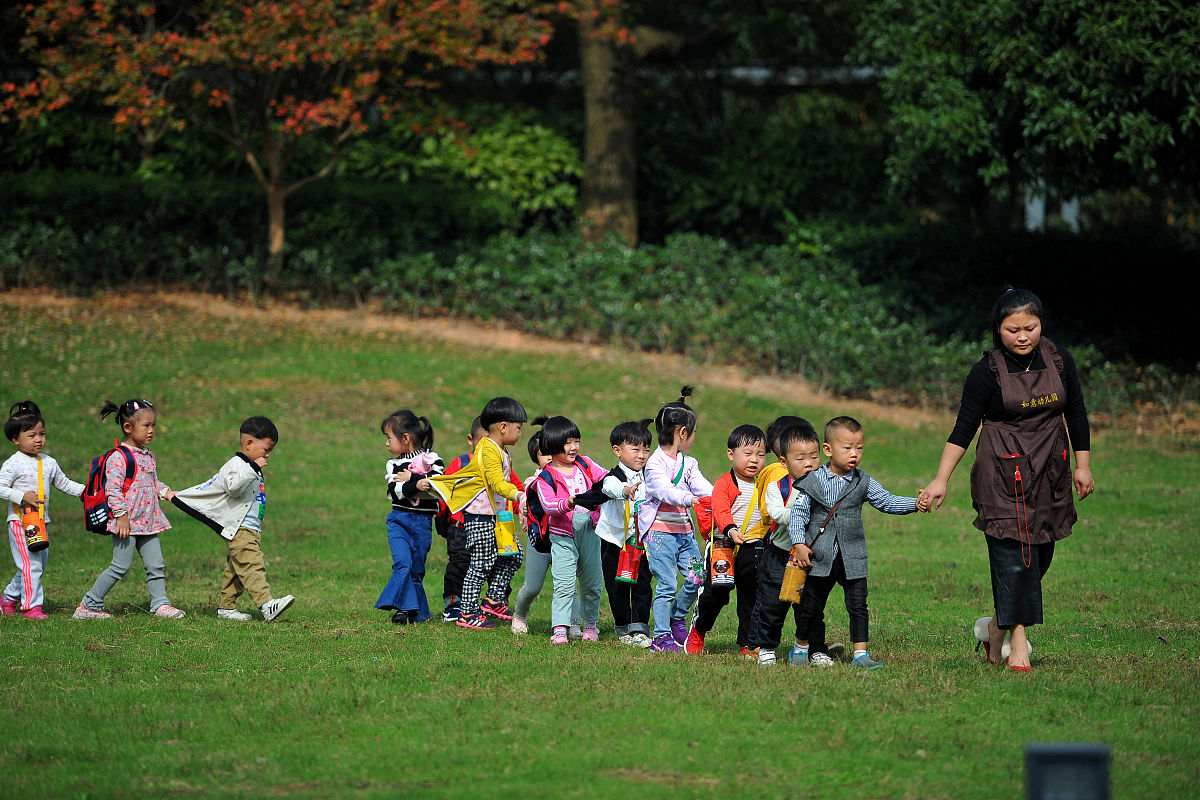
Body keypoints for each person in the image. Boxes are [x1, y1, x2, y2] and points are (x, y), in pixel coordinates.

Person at [921, 287, 1093, 672]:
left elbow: (1077, 413)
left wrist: (1082, 466)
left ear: (1040, 325)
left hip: (1050, 469)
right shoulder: (986, 372)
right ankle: (1017, 645)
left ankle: (992, 629)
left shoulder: (1059, 360)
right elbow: (963, 427)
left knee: (1040, 557)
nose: (1022, 336)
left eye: (1029, 327)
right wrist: (940, 479)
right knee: (1015, 558)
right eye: (1012, 329)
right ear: (997, 330)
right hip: (1003, 473)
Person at [790, 416, 928, 670]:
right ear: (828, 450)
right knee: (811, 606)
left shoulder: (862, 481)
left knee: (858, 605)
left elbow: (886, 501)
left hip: (852, 555)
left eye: (859, 447)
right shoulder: (812, 481)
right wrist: (799, 544)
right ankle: (800, 646)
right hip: (820, 555)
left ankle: (860, 655)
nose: (854, 454)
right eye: (847, 448)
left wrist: (915, 505)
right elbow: (798, 514)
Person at [171, 416, 295, 622]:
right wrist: (254, 468)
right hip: (240, 528)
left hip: (251, 528)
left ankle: (226, 608)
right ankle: (266, 604)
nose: (268, 455)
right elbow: (234, 488)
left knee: (236, 570)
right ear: (249, 443)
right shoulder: (237, 464)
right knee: (252, 565)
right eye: (266, 449)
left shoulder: (248, 465)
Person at [74, 399, 185, 620]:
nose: (151, 430)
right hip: (126, 522)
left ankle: (160, 604)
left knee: (156, 565)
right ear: (128, 427)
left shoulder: (149, 455)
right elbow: (112, 490)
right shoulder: (119, 457)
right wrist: (121, 517)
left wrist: (167, 493)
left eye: (153, 425)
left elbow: (153, 483)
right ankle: (88, 605)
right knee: (120, 567)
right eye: (146, 426)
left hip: (149, 521)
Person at [426, 396, 528, 630]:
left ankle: (493, 600)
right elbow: (497, 483)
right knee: (481, 564)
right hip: (480, 517)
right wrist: (519, 496)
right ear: (503, 427)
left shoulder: (501, 450)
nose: (520, 433)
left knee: (513, 555)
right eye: (518, 428)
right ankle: (468, 613)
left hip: (496, 517)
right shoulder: (489, 451)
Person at [640, 387, 714, 652]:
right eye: (693, 433)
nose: (693, 438)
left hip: (684, 533)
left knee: (697, 577)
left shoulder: (689, 463)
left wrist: (721, 497)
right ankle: (660, 638)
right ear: (683, 433)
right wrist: (689, 499)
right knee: (668, 584)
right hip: (659, 535)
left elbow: (702, 486)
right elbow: (662, 490)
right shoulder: (654, 463)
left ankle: (676, 617)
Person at [686, 424, 770, 658]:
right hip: (724, 544)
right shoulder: (725, 482)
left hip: (754, 547)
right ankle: (699, 630)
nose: (754, 460)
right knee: (716, 593)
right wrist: (731, 530)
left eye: (760, 454)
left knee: (751, 596)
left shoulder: (765, 483)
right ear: (731, 455)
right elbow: (720, 510)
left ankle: (748, 643)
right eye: (748, 453)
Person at [527, 415, 609, 643]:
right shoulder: (545, 477)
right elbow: (549, 505)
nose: (574, 448)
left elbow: (605, 478)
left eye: (576, 441)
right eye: (568, 443)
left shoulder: (585, 464)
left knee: (592, 582)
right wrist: (570, 502)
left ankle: (590, 626)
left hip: (590, 531)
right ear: (553, 445)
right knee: (564, 583)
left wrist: (623, 486)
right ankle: (560, 629)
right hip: (562, 535)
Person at [751, 422, 828, 665]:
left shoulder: (826, 486)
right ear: (784, 462)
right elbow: (776, 513)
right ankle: (766, 648)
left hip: (812, 558)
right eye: (801, 458)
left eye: (814, 457)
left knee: (811, 609)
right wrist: (804, 511)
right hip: (779, 555)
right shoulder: (777, 487)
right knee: (772, 606)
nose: (809, 463)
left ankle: (816, 650)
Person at [0, 401, 85, 619]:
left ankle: (8, 598)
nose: (38, 439)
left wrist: (86, 492)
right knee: (32, 565)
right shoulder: (13, 464)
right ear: (15, 439)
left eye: (42, 434)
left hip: (41, 522)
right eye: (31, 435)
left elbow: (64, 483)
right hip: (20, 521)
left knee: (35, 565)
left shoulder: (48, 462)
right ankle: (31, 607)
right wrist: (21, 497)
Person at [574, 419, 654, 647]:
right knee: (617, 586)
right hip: (613, 541)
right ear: (617, 451)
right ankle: (623, 628)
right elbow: (610, 488)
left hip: (641, 542)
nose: (641, 455)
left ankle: (640, 627)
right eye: (635, 449)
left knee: (643, 584)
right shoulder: (613, 477)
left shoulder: (650, 475)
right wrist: (626, 489)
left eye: (646, 449)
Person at [375, 409, 444, 625]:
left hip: (423, 523)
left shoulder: (433, 458)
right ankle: (394, 603)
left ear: (405, 438)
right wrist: (418, 483)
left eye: (389, 437)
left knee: (416, 570)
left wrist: (412, 478)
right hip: (399, 520)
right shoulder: (392, 464)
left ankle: (415, 614)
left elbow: (439, 484)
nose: (386, 443)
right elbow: (395, 491)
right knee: (403, 563)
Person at [436, 417, 485, 622]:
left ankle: (481, 605)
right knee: (459, 565)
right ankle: (453, 605)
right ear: (471, 440)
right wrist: (441, 519)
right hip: (460, 527)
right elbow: (445, 492)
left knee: (483, 566)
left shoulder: (499, 466)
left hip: (486, 527)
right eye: (481, 442)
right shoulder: (461, 463)